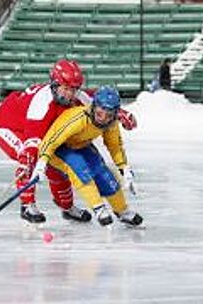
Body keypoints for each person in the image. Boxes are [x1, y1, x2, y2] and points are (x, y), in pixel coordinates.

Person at [0, 59, 93, 224]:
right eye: (66, 89)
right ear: (54, 84)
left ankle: (67, 207)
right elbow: (32, 145)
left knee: (57, 165)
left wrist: (121, 114)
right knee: (30, 158)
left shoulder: (77, 97)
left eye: (74, 89)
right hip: (9, 125)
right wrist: (37, 164)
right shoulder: (42, 103)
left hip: (39, 127)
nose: (70, 94)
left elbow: (100, 107)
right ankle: (27, 205)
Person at [30, 86, 143, 227]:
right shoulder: (78, 118)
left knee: (103, 173)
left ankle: (122, 211)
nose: (103, 119)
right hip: (57, 149)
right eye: (100, 114)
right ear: (94, 107)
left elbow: (115, 146)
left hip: (81, 145)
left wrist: (124, 168)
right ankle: (98, 207)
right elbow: (52, 140)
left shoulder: (111, 123)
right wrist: (42, 163)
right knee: (79, 168)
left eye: (109, 115)